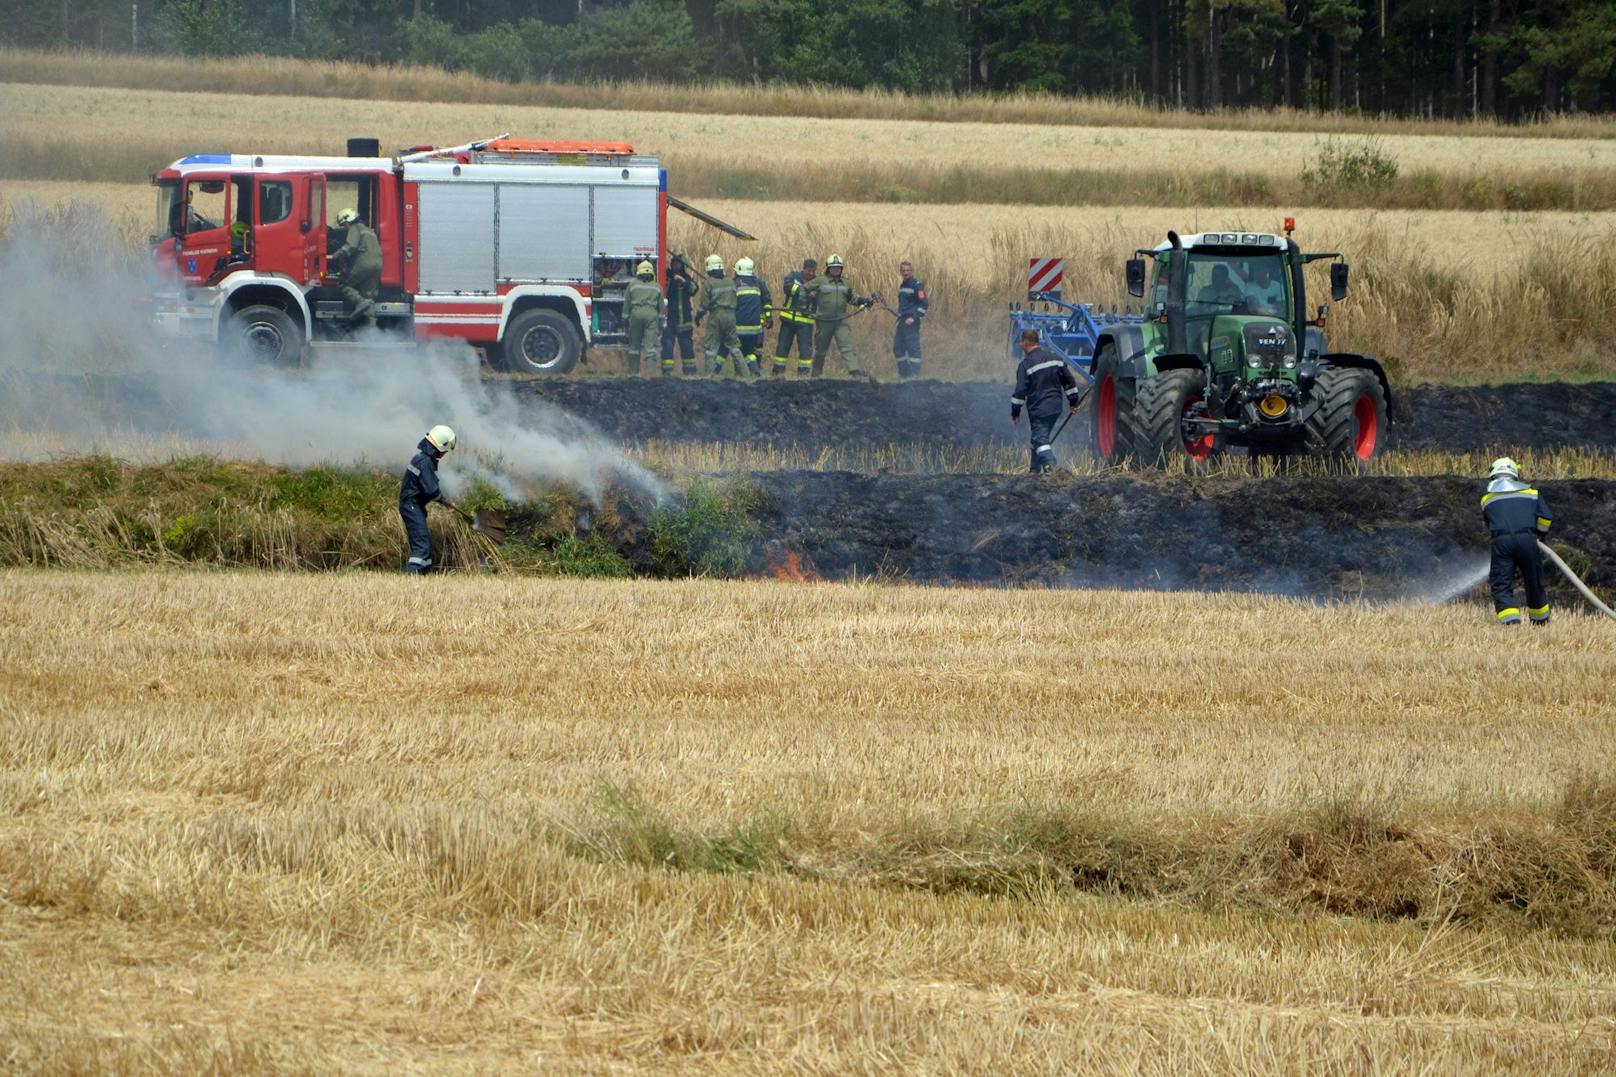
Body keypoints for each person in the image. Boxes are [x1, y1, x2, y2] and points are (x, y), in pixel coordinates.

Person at [1482, 457, 1553, 625]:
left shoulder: (1487, 499)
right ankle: (1540, 622)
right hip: (1528, 540)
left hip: (1501, 542)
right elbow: (1546, 517)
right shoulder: (1532, 494)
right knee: (1534, 581)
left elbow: (1489, 523)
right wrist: (1540, 534)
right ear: (1515, 474)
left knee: (1502, 582)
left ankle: (1511, 624)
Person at [1010, 329, 1082, 473]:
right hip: (1055, 407)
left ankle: (1052, 469)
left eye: (1021, 344)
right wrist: (1073, 402)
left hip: (1039, 408)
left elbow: (1019, 392)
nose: (1020, 346)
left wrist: (1015, 412)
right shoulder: (1055, 358)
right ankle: (1034, 472)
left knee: (1040, 440)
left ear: (1025, 343)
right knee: (1038, 438)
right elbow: (1069, 381)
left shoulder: (1025, 365)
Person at [400, 425, 457, 575]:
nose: (444, 454)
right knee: (422, 545)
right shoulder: (424, 462)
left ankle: (423, 575)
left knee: (424, 543)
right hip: (412, 506)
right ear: (440, 447)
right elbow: (431, 490)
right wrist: (445, 501)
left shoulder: (421, 459)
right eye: (445, 450)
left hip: (414, 506)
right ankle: (411, 576)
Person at [808, 253, 871, 378]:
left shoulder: (846, 283)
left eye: (838, 267)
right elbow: (804, 290)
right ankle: (816, 374)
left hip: (841, 321)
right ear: (828, 268)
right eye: (833, 267)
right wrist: (806, 305)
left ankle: (855, 371)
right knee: (820, 350)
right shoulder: (820, 281)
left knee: (846, 347)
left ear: (841, 269)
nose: (836, 269)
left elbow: (852, 299)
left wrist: (864, 301)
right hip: (824, 321)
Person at [331, 208, 382, 326]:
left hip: (364, 263)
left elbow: (350, 247)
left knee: (343, 284)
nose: (345, 228)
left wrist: (335, 256)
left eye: (344, 225)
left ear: (348, 220)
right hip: (378, 264)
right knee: (368, 298)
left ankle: (359, 302)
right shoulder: (369, 230)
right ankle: (371, 331)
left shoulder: (354, 228)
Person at [696, 254, 745, 376]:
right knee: (734, 346)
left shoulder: (709, 283)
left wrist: (697, 317)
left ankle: (709, 375)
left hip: (716, 316)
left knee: (711, 348)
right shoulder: (730, 281)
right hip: (731, 316)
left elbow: (704, 305)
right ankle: (746, 375)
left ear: (709, 268)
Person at [774, 258, 817, 377]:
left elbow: (820, 297)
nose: (811, 274)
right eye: (809, 271)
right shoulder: (793, 276)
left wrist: (815, 295)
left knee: (805, 350)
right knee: (782, 348)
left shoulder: (817, 282)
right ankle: (777, 373)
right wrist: (804, 291)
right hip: (788, 319)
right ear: (803, 269)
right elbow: (787, 288)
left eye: (813, 271)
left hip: (805, 322)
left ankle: (803, 375)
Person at [660, 253, 701, 377]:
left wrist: (683, 281)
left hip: (684, 321)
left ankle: (690, 372)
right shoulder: (666, 276)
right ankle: (667, 372)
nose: (675, 266)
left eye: (678, 264)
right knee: (667, 346)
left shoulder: (687, 278)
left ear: (683, 266)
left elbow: (694, 290)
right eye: (674, 263)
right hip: (669, 320)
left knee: (687, 347)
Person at [732, 256, 773, 378]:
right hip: (756, 327)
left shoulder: (734, 284)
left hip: (739, 327)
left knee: (740, 351)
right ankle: (754, 370)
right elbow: (767, 301)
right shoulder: (759, 283)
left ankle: (745, 372)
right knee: (752, 351)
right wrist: (769, 318)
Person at [622, 260, 664, 376]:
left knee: (634, 347)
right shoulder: (657, 287)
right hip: (651, 316)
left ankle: (633, 373)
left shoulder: (632, 285)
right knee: (651, 348)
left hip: (636, 316)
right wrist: (660, 327)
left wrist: (625, 325)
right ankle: (650, 374)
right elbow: (662, 309)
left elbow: (626, 307)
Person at [893, 259, 928, 380]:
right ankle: (904, 374)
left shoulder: (917, 285)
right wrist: (900, 313)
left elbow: (924, 305)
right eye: (903, 270)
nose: (906, 272)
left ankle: (914, 375)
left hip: (912, 322)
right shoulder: (902, 285)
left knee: (913, 348)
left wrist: (913, 318)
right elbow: (905, 304)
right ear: (900, 272)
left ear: (911, 271)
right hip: (902, 321)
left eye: (908, 270)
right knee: (898, 347)